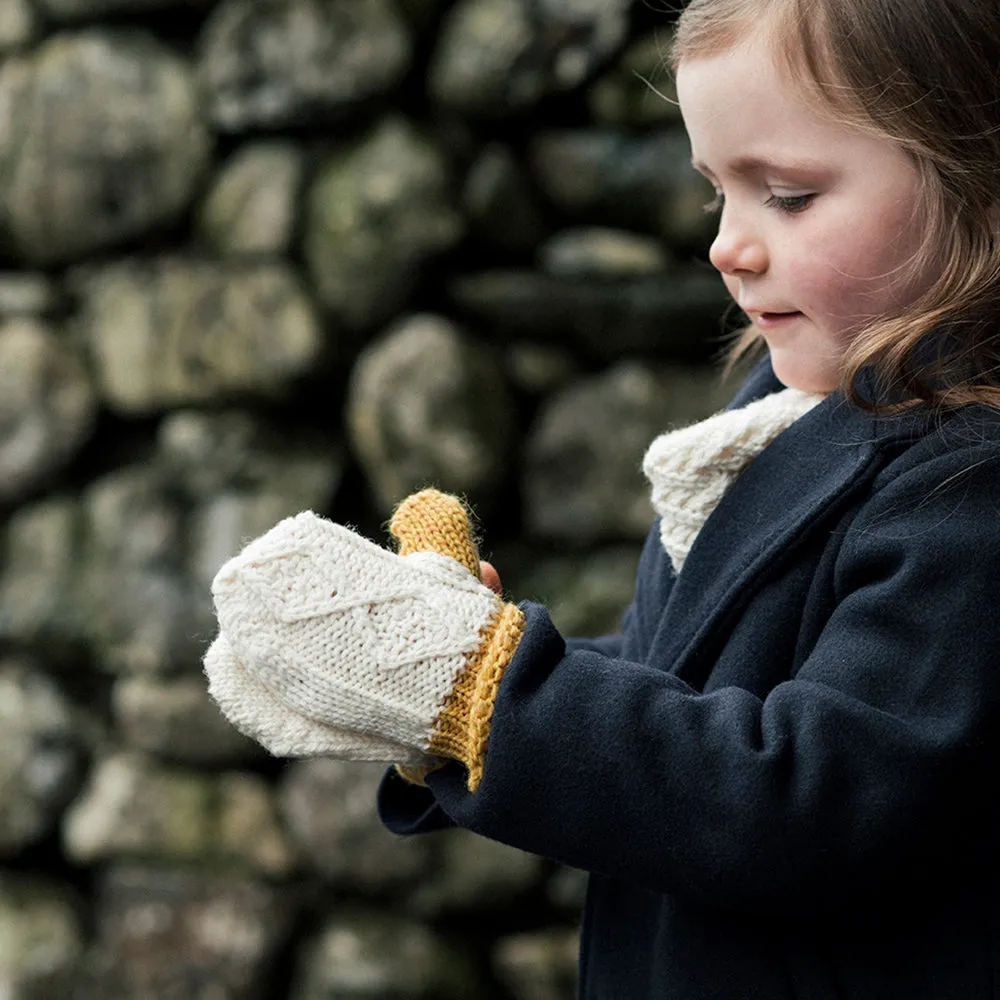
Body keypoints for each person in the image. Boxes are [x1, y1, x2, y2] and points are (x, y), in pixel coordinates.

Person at [204, 0, 1000, 995]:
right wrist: (445, 667)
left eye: (786, 195)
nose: (728, 244)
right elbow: (690, 679)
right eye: (717, 191)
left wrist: (487, 693)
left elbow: (806, 800)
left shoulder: (972, 488)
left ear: (978, 179)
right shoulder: (792, 406)